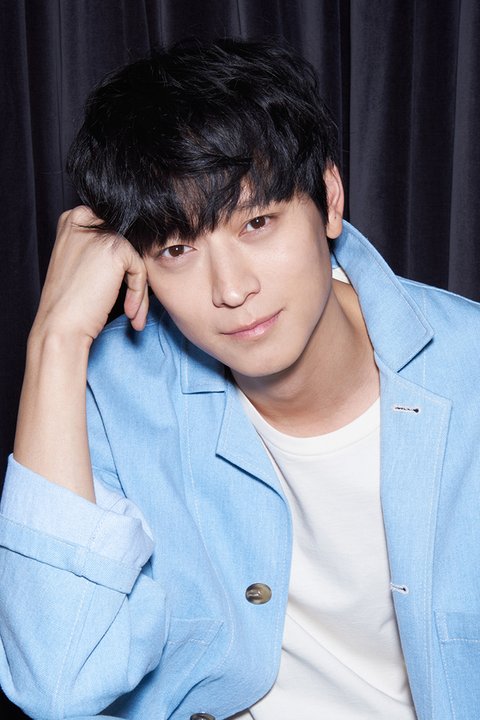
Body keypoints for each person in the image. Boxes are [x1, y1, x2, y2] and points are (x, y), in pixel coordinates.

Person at [0, 38, 478, 720]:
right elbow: (58, 685)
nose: (231, 290)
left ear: (329, 200)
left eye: (257, 222)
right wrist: (54, 341)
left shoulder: (468, 369)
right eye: (177, 248)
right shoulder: (112, 392)